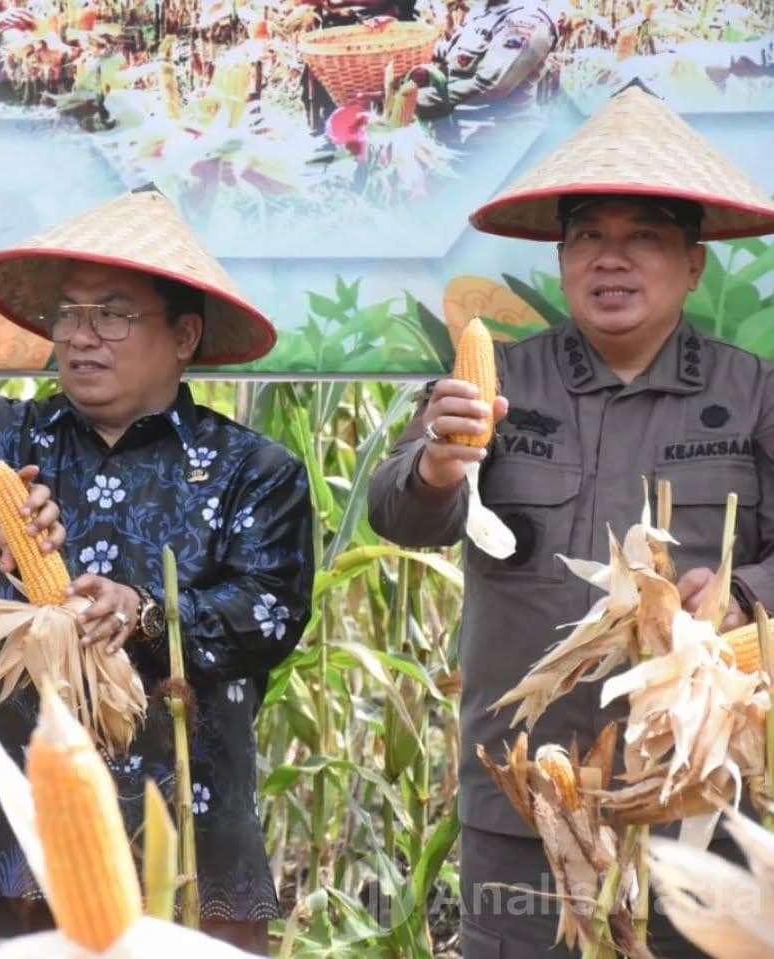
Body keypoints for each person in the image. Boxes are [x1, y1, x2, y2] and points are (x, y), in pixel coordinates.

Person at [0, 187, 315, 954]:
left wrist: (147, 612)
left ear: (184, 334)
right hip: (0, 845)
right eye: (68, 314)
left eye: (113, 315)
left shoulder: (250, 470)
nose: (81, 336)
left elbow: (269, 614)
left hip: (185, 838)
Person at [368, 85, 774, 958]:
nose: (610, 260)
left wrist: (742, 595)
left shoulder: (753, 394)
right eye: (587, 238)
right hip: (525, 787)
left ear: (692, 264)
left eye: (643, 238)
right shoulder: (489, 386)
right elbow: (398, 517)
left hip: (695, 791)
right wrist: (435, 465)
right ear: (560, 260)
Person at [413, 0, 557, 136]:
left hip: (496, 138)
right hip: (454, 131)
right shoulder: (485, 9)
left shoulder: (527, 19)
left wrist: (418, 100)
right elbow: (457, 55)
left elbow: (491, 86)